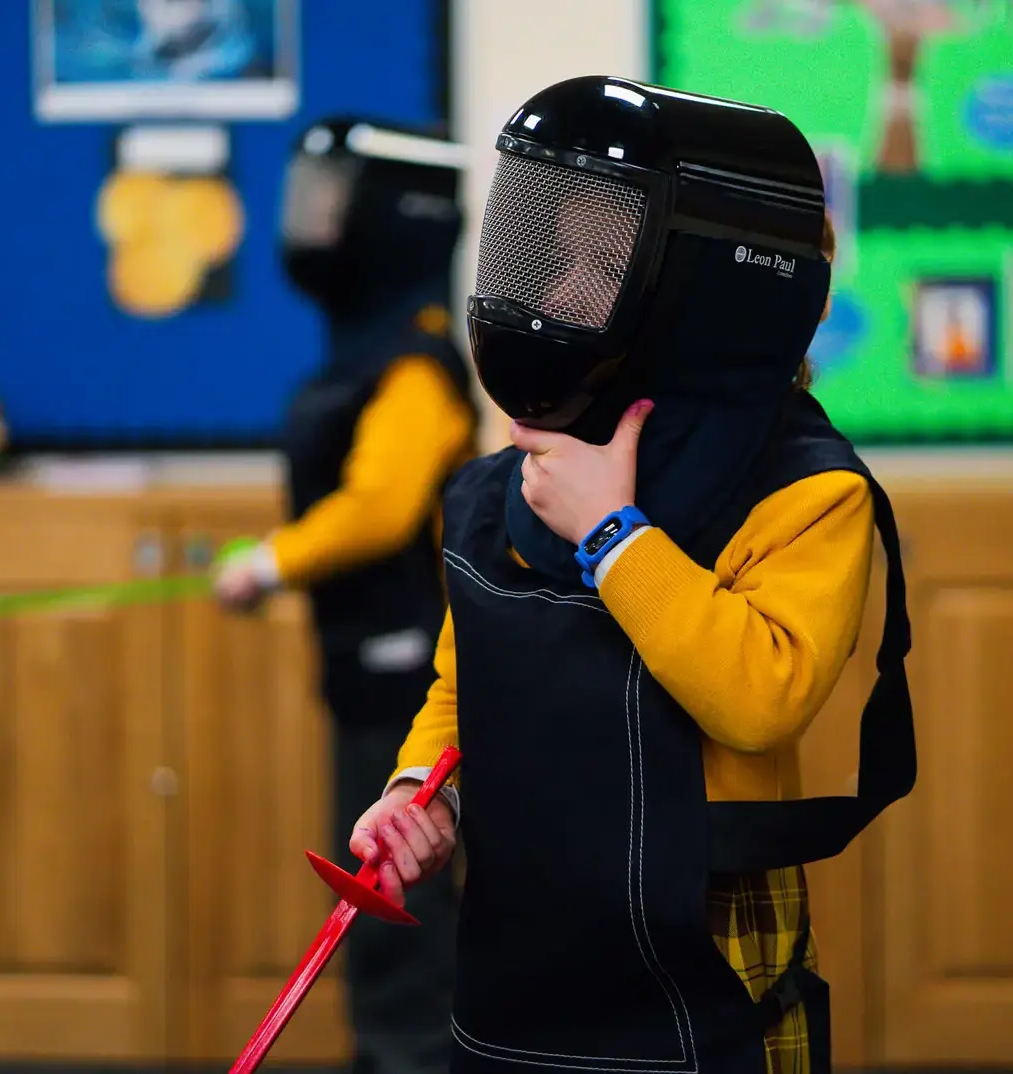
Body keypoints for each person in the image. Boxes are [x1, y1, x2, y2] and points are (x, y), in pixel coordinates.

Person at [345, 77, 917, 1074]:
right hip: (525, 949)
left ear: (718, 291)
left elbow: (759, 696)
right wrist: (421, 794)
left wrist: (615, 537)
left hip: (702, 954)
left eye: (603, 263)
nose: (562, 291)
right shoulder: (512, 482)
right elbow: (465, 679)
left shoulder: (804, 494)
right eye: (555, 256)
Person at [213, 116, 479, 1074]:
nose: (313, 225)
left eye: (335, 203)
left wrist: (269, 563)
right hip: (362, 661)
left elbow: (380, 505)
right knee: (372, 882)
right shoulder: (360, 353)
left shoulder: (416, 364)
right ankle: (390, 1048)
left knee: (396, 886)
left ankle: (413, 1055)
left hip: (413, 663)